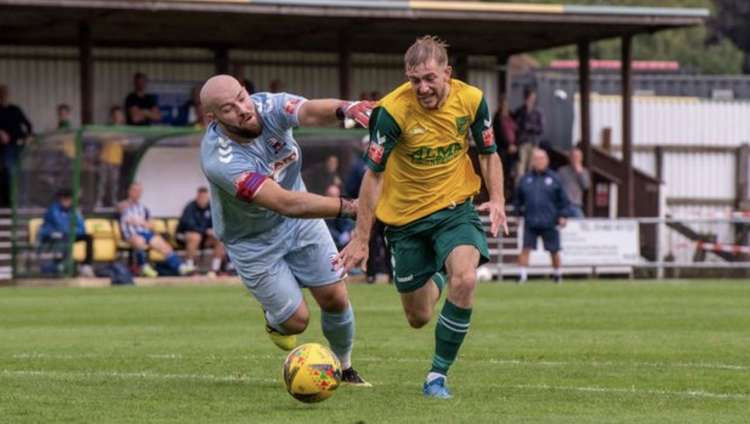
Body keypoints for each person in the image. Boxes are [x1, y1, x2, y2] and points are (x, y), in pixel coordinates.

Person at [335, 36, 508, 399]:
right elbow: (374, 176)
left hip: (454, 210)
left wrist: (497, 199)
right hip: (404, 222)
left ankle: (436, 376)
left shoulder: (472, 100)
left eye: (430, 78)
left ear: (448, 72)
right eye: (414, 80)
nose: (422, 88)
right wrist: (362, 237)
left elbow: (489, 153)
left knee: (465, 279)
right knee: (418, 317)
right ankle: (436, 277)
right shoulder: (392, 111)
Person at [198, 74, 375, 385]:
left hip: (300, 225)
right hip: (252, 240)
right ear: (213, 118)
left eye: (242, 96)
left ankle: (345, 369)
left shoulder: (268, 105)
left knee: (335, 296)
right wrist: (350, 207)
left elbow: (310, 111)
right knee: (297, 322)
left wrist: (347, 109)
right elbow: (284, 202)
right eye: (229, 108)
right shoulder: (221, 160)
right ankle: (275, 321)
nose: (242, 108)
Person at [514, 148, 570, 284]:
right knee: (525, 248)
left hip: (550, 221)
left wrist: (563, 215)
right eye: (536, 159)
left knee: (554, 250)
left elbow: (563, 200)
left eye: (541, 159)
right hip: (531, 220)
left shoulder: (554, 178)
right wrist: (517, 214)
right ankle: (522, 276)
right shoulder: (525, 179)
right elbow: (518, 199)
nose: (539, 161)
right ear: (532, 161)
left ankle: (557, 275)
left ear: (547, 160)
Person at [119, 182, 194, 277]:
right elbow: (126, 218)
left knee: (164, 245)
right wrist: (140, 222)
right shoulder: (123, 205)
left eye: (139, 191)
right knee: (139, 241)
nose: (137, 193)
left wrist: (141, 222)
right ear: (129, 192)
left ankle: (180, 267)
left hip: (145, 232)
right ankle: (144, 267)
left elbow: (150, 223)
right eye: (135, 191)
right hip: (131, 234)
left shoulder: (143, 208)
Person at [38, 188, 94, 277]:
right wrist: (71, 230)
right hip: (51, 235)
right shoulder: (53, 209)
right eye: (65, 200)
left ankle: (86, 265)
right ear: (60, 199)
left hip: (69, 234)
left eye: (69, 200)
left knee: (88, 237)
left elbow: (82, 227)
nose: (68, 202)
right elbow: (60, 226)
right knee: (63, 237)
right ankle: (61, 265)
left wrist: (74, 231)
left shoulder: (74, 210)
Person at [176, 186, 226, 276]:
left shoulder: (211, 207)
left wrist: (213, 231)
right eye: (200, 197)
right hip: (185, 237)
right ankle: (190, 268)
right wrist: (205, 231)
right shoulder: (190, 207)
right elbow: (188, 225)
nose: (202, 199)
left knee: (219, 238)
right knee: (195, 237)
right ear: (197, 197)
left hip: (204, 238)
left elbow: (217, 223)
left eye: (205, 197)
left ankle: (215, 269)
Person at [0, 83, 33, 207]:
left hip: (20, 144)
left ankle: (22, 201)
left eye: (6, 93)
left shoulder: (15, 109)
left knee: (22, 171)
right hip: (6, 147)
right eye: (2, 93)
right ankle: (11, 200)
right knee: (9, 171)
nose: (4, 96)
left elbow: (28, 124)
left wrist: (29, 136)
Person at [512, 86, 544, 182]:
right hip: (522, 142)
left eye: (533, 97)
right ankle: (519, 190)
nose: (531, 99)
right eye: (529, 97)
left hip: (533, 142)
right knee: (520, 167)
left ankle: (531, 186)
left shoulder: (538, 112)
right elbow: (514, 125)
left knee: (532, 166)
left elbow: (541, 129)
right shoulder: (520, 110)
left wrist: (530, 127)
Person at [95, 107, 125, 209]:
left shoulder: (125, 130)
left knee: (114, 183)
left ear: (122, 117)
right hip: (105, 159)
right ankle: (99, 201)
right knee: (102, 182)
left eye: (119, 115)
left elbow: (127, 144)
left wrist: (122, 140)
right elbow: (100, 139)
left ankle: (113, 201)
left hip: (116, 160)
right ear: (112, 117)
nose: (117, 117)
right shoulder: (106, 128)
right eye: (115, 115)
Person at [492, 94, 518, 199]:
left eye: (506, 103)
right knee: (502, 172)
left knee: (512, 173)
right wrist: (508, 145)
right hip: (503, 149)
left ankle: (511, 195)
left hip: (514, 150)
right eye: (503, 103)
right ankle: (501, 195)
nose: (505, 105)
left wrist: (515, 145)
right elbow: (497, 133)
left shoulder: (511, 115)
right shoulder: (497, 116)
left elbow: (517, 130)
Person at [556, 147, 591, 218]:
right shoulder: (561, 171)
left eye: (577, 157)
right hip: (563, 205)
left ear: (581, 158)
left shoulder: (584, 171)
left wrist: (579, 172)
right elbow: (556, 186)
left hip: (576, 205)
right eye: (573, 156)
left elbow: (586, 186)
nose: (575, 159)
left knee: (580, 224)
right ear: (569, 158)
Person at [323, 184, 354, 250]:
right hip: (331, 244)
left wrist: (347, 232)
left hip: (345, 244)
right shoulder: (322, 211)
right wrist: (339, 237)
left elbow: (348, 223)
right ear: (327, 196)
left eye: (337, 196)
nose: (335, 199)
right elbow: (326, 229)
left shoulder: (342, 207)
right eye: (332, 196)